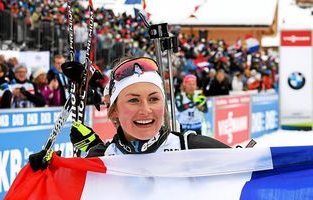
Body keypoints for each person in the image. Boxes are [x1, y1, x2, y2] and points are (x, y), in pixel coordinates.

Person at [29, 57, 230, 172]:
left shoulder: (192, 147)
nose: (146, 109)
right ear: (113, 109)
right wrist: (50, 171)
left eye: (154, 99)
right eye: (133, 100)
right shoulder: (102, 156)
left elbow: (251, 168)